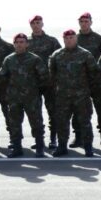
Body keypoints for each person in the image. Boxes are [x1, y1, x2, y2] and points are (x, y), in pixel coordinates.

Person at [49, 29, 99, 157]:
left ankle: (88, 147)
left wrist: (91, 92)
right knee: (62, 122)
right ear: (63, 39)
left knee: (85, 122)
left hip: (81, 96)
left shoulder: (85, 54)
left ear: (76, 38)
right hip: (63, 96)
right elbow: (52, 75)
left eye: (71, 37)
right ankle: (62, 146)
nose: (69, 40)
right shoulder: (57, 55)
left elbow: (93, 74)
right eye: (66, 38)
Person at [0, 33, 49, 158]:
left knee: (36, 122)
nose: (19, 44)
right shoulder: (9, 59)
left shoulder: (34, 59)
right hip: (14, 98)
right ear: (14, 44)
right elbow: (2, 76)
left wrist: (37, 91)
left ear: (27, 44)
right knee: (14, 123)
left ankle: (39, 147)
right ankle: (16, 148)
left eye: (22, 42)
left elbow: (44, 77)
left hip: (31, 97)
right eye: (17, 42)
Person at [27, 15, 62, 149]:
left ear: (42, 24)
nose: (36, 25)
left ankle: (54, 139)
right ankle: (39, 139)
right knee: (35, 113)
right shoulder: (25, 41)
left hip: (49, 83)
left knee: (53, 111)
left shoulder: (52, 41)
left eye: (38, 22)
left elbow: (60, 59)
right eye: (33, 23)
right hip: (32, 84)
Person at [76, 12, 101, 147]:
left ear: (91, 22)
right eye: (82, 21)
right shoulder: (74, 38)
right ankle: (79, 137)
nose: (84, 23)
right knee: (79, 110)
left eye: (86, 21)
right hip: (79, 81)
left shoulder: (100, 39)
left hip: (96, 81)